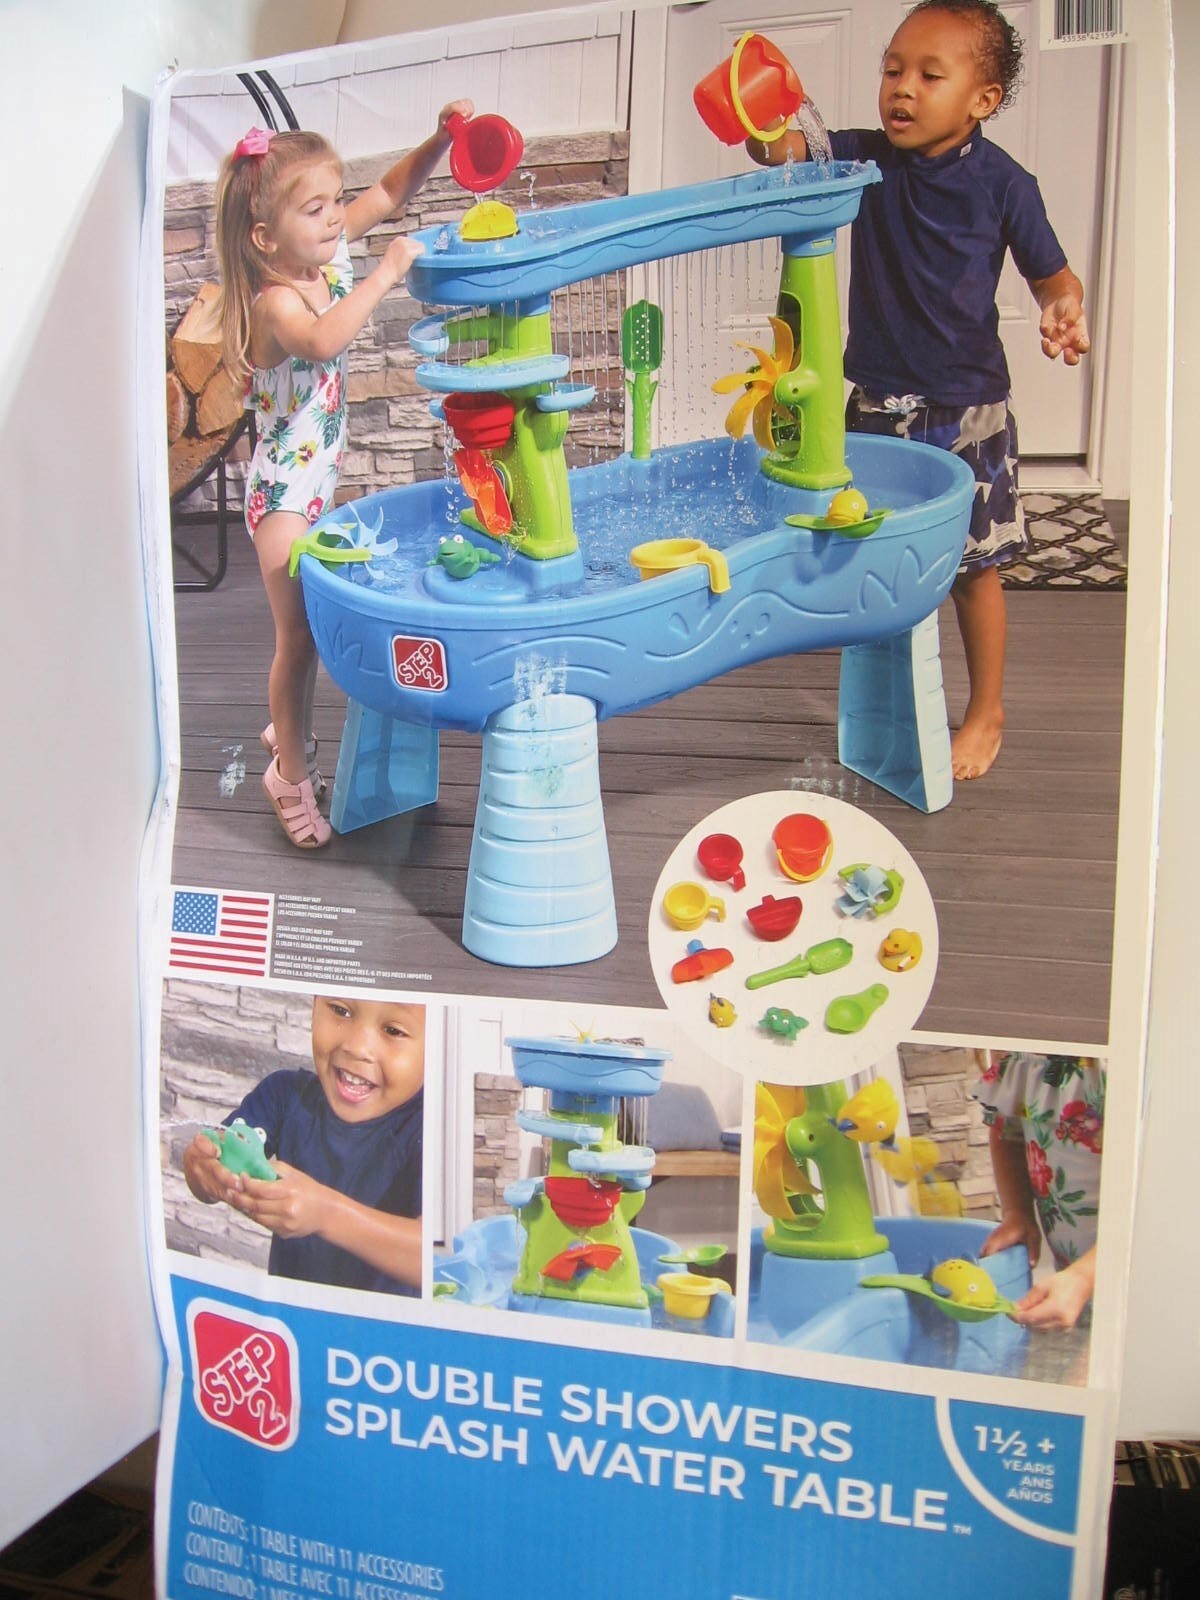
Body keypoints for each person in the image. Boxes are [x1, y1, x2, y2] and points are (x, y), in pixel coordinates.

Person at [748, 0, 1089, 779]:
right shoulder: (867, 157)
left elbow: (1053, 276)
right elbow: (780, 151)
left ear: (982, 100)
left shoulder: (1005, 184)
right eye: (893, 70)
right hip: (874, 398)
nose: (902, 88)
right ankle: (886, 699)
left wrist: (1063, 307)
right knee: (872, 550)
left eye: (930, 76)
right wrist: (761, 107)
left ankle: (986, 709)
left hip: (965, 408)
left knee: (974, 568)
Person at [213, 104, 471, 846]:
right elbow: (325, 340)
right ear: (265, 237)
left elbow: (387, 193)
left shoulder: (322, 258)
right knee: (297, 642)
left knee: (310, 641)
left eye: (335, 201)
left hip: (312, 485)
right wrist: (387, 271)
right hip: (281, 500)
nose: (335, 218)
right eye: (315, 208)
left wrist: (440, 139)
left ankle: (285, 728)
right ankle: (288, 774)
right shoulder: (276, 302)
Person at [183, 995, 426, 1296]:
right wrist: (201, 1168)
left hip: (379, 1325)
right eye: (340, 1011)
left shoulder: (431, 1130)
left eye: (393, 1030)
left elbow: (434, 1261)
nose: (356, 1047)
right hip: (290, 1316)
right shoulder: (284, 1095)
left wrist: (326, 1214)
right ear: (314, 1007)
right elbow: (215, 1162)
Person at [974, 1051, 1103, 1330]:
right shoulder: (1022, 1048)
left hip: (1154, 1288)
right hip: (1074, 1291)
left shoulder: (1137, 1058)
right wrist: (1017, 1211)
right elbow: (1009, 1132)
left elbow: (1166, 1197)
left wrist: (1086, 1275)